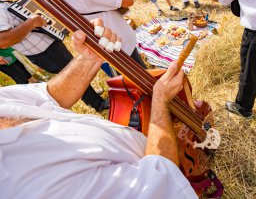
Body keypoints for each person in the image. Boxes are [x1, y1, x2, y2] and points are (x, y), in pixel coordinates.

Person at [0, 20, 197, 199]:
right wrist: (160, 102)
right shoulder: (19, 183)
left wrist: (88, 59)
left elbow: (49, 96)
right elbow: (159, 184)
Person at [0, 0, 109, 112]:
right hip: (43, 52)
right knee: (73, 74)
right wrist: (31, 23)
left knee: (73, 70)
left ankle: (89, 95)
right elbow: (3, 40)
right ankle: (98, 104)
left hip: (48, 44)